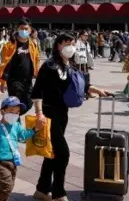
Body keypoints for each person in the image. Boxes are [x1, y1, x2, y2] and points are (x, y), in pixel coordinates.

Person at [31, 33, 109, 201]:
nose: (71, 47)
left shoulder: (70, 66)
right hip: (48, 113)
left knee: (52, 153)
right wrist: (39, 113)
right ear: (59, 45)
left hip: (62, 114)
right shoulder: (49, 66)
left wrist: (98, 90)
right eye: (68, 43)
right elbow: (37, 91)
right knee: (63, 153)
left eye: (73, 43)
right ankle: (58, 192)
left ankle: (41, 190)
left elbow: (84, 85)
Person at [0, 97, 43, 201]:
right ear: (3, 111)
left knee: (9, 185)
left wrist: (35, 129)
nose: (15, 115)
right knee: (7, 187)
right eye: (12, 111)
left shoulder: (16, 125)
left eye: (17, 112)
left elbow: (23, 136)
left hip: (13, 161)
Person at [0, 18, 40, 114]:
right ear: (17, 29)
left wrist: (37, 74)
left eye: (26, 28)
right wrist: (4, 82)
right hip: (14, 80)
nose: (24, 31)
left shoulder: (32, 44)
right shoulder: (10, 45)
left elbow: (36, 59)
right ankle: (14, 121)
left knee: (28, 102)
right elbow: (5, 64)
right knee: (16, 104)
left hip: (28, 80)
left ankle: (9, 114)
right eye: (21, 28)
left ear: (30, 30)